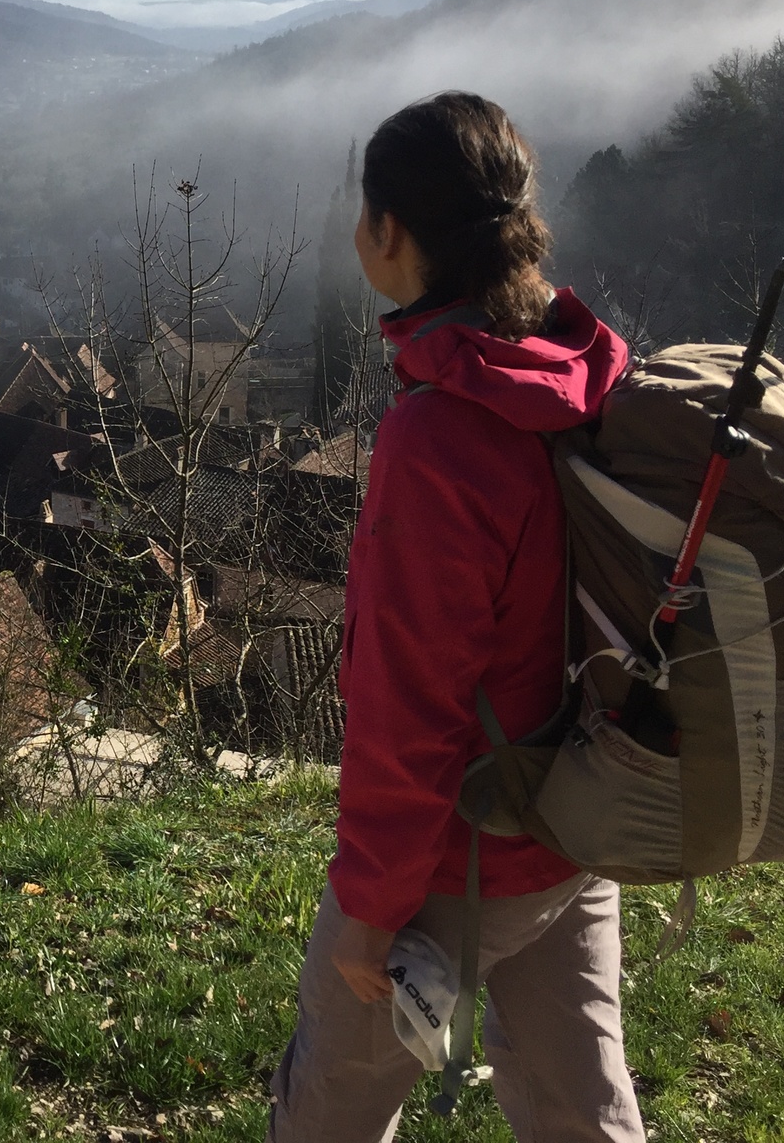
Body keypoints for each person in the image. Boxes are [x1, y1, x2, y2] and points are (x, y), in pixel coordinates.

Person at [268, 93, 642, 1140]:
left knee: (327, 1115)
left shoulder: (439, 440)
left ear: (388, 232)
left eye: (363, 212)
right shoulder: (582, 380)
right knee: (584, 1111)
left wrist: (370, 904)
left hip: (457, 861)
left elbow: (409, 700)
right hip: (573, 827)